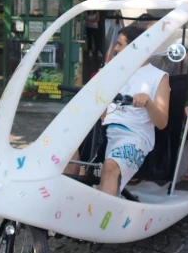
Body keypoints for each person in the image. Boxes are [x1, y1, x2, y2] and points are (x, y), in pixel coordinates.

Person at [65, 24, 170, 196]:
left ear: (135, 47)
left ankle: (99, 217)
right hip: (104, 129)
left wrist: (149, 103)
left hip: (134, 134)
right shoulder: (112, 70)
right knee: (67, 151)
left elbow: (162, 122)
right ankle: (66, 203)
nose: (115, 48)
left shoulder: (158, 77)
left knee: (111, 166)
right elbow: (96, 107)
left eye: (120, 44)